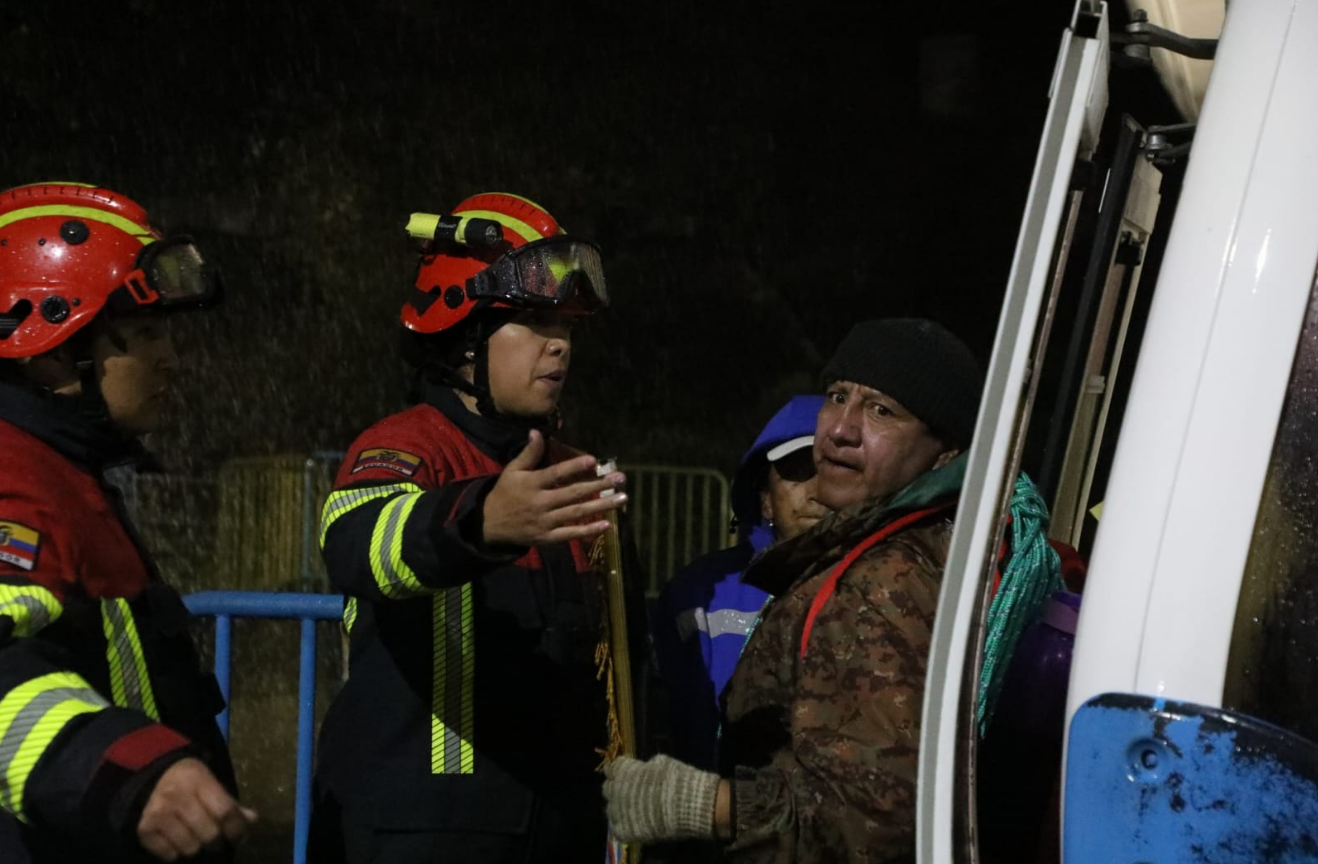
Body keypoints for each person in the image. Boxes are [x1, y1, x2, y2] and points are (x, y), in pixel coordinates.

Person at [605, 318, 1056, 862]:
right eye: (838, 396)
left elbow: (877, 818)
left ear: (945, 451)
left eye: (882, 410)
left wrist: (704, 804)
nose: (841, 428)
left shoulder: (884, 579)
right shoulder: (896, 549)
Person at [309, 193, 628, 863]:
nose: (560, 345)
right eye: (534, 322)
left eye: (567, 327)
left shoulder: (576, 473)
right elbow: (358, 548)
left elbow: (618, 665)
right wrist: (483, 521)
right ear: (463, 335)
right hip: (419, 831)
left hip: (560, 826)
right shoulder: (404, 447)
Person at [0, 182, 254, 862]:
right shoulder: (12, 476)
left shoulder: (64, 470)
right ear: (50, 347)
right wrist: (125, 774)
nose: (168, 356)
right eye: (143, 333)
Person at [652, 395, 827, 771]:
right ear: (764, 499)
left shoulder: (887, 586)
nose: (818, 491)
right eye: (798, 470)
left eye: (833, 472)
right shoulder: (697, 592)